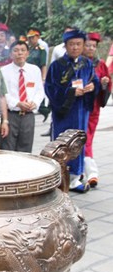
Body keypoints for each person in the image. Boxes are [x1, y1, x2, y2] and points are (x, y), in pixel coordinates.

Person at [45, 29, 100, 192]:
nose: (75, 47)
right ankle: (60, 177)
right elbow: (50, 88)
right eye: (71, 44)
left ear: (83, 45)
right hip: (64, 112)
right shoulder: (57, 66)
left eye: (78, 44)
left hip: (81, 110)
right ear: (66, 46)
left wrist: (92, 87)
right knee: (62, 142)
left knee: (79, 142)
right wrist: (70, 92)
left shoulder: (87, 63)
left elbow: (94, 80)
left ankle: (76, 178)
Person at [0, 41, 45, 152]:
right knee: (8, 148)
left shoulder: (35, 70)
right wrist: (17, 103)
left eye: (23, 50)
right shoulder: (3, 71)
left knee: (26, 148)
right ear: (10, 54)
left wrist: (35, 103)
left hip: (28, 116)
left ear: (28, 53)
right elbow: (3, 94)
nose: (19, 53)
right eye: (16, 50)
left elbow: (40, 91)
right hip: (11, 114)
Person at [82, 32, 111, 188]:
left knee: (88, 137)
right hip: (78, 106)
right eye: (88, 45)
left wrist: (105, 83)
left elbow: (106, 86)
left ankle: (87, 171)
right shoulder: (77, 63)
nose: (91, 48)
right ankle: (90, 171)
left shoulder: (100, 65)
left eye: (93, 46)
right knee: (81, 137)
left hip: (93, 107)